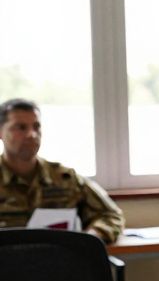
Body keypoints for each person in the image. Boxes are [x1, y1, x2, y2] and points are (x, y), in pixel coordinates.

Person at [0, 98, 124, 242]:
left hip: (58, 261)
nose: (31, 135)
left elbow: (111, 215)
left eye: (36, 126)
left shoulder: (65, 178)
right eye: (21, 127)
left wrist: (92, 238)